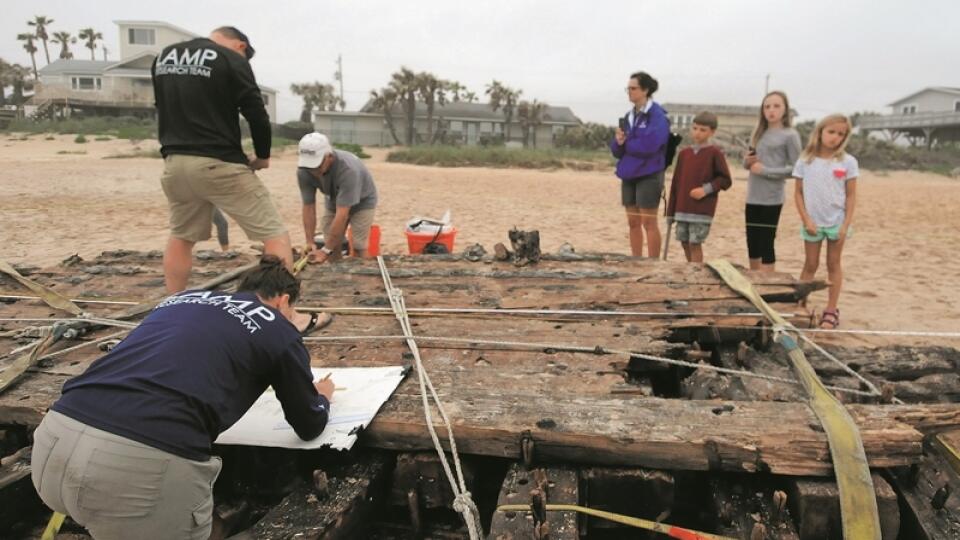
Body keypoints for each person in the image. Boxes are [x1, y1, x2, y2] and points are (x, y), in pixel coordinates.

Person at [30, 256, 335, 540]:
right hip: (137, 471)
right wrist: (321, 398)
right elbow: (308, 424)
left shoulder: (179, 299)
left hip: (51, 447)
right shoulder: (278, 326)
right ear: (283, 301)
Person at [152, 26, 294, 293]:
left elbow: (161, 107)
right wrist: (263, 156)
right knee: (274, 235)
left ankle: (174, 304)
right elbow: (256, 114)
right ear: (241, 46)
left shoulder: (165, 56)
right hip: (219, 161)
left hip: (174, 162)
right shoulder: (231, 59)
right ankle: (281, 312)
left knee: (181, 237)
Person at [792, 114, 858, 329]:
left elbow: (850, 196)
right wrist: (806, 219)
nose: (835, 138)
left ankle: (831, 309)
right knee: (810, 264)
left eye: (841, 134)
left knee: (833, 264)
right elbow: (798, 193)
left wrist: (845, 225)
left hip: (837, 223)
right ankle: (801, 304)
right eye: (831, 132)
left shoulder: (848, 162)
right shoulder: (805, 160)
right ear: (820, 131)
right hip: (812, 223)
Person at [610, 71, 670, 258]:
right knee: (633, 222)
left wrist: (627, 143)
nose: (629, 91)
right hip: (629, 173)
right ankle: (635, 260)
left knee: (649, 223)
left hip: (649, 173)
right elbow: (617, 151)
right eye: (628, 88)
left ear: (646, 90)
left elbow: (651, 145)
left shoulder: (658, 115)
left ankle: (653, 263)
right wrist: (619, 142)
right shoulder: (629, 116)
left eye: (633, 88)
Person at [742, 91, 802, 272]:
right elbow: (749, 164)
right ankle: (754, 282)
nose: (771, 110)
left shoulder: (790, 135)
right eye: (767, 106)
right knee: (752, 242)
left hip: (772, 198)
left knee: (766, 242)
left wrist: (766, 171)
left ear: (785, 109)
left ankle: (768, 286)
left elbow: (797, 169)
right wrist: (747, 162)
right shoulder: (758, 133)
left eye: (776, 106)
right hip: (753, 195)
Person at [297, 132, 379, 263]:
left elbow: (342, 215)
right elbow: (308, 206)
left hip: (363, 201)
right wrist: (309, 241)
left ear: (329, 156)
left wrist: (324, 251)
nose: (313, 171)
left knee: (359, 245)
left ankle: (363, 277)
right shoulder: (304, 171)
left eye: (317, 166)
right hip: (334, 198)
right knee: (332, 244)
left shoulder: (348, 169)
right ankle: (336, 275)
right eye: (310, 167)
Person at [665, 112, 732, 263]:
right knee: (684, 242)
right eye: (695, 128)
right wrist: (670, 212)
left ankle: (697, 273)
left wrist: (705, 190)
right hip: (682, 209)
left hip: (701, 210)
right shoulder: (684, 154)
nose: (697, 133)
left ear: (712, 132)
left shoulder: (715, 153)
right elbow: (676, 183)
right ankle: (691, 269)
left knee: (695, 243)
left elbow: (725, 180)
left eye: (703, 130)